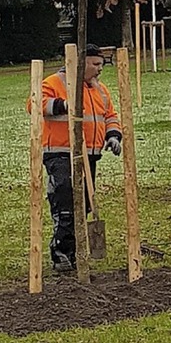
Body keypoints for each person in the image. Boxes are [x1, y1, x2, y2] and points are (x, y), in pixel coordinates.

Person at [27, 44, 122, 272]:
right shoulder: (55, 82)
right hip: (60, 152)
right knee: (65, 200)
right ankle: (61, 252)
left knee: (85, 204)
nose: (100, 69)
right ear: (81, 63)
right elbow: (34, 104)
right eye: (96, 64)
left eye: (101, 64)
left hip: (89, 155)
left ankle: (76, 250)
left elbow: (110, 115)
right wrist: (65, 105)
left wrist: (113, 135)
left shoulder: (99, 89)